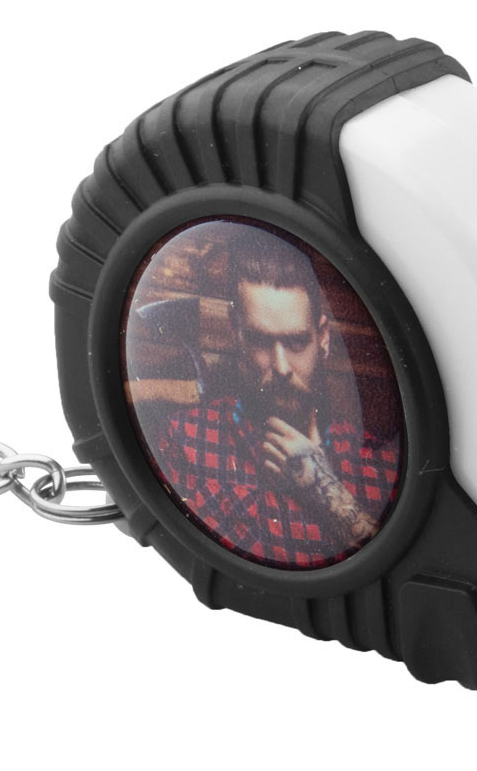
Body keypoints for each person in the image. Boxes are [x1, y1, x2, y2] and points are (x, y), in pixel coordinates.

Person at [155, 231, 400, 568]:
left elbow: (403, 566)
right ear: (235, 333)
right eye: (260, 341)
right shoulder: (187, 441)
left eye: (297, 342)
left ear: (323, 338)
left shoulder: (378, 463)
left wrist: (325, 492)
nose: (282, 367)